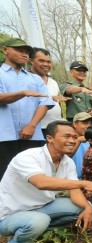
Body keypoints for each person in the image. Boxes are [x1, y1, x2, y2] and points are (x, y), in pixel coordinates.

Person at [0, 121, 92, 243]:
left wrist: (88, 207)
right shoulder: (28, 157)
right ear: (49, 138)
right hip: (10, 215)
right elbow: (41, 183)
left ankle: (34, 231)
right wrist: (83, 183)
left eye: (74, 137)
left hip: (43, 207)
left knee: (83, 207)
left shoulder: (67, 162)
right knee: (39, 220)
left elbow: (74, 191)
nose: (72, 140)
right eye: (67, 136)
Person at [0, 38, 55, 180]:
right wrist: (22, 93)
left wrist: (32, 125)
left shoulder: (35, 79)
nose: (24, 54)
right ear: (5, 50)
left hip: (32, 135)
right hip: (4, 136)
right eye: (19, 50)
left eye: (27, 52)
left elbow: (45, 102)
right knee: (4, 175)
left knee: (32, 175)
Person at [31, 47, 67, 136]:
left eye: (48, 62)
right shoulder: (26, 79)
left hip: (54, 127)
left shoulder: (53, 82)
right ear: (31, 61)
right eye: (41, 61)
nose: (46, 64)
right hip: (36, 127)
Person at [70, 112, 92, 180]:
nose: (88, 126)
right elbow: (64, 157)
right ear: (75, 124)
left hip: (89, 181)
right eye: (85, 123)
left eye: (90, 123)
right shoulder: (68, 140)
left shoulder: (91, 141)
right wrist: (78, 141)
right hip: (71, 182)